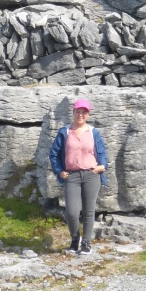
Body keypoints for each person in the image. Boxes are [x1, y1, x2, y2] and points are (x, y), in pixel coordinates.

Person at [49, 98, 108, 255]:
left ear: (88, 114)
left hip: (91, 174)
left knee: (89, 211)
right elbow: (54, 154)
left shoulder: (93, 132)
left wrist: (102, 166)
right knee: (72, 212)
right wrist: (59, 170)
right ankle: (75, 239)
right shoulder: (65, 132)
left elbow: (101, 152)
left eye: (84, 112)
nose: (80, 115)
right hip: (71, 176)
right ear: (73, 112)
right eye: (78, 111)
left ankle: (86, 243)